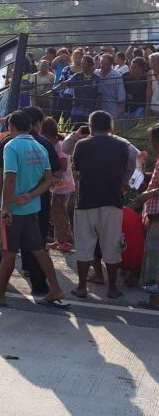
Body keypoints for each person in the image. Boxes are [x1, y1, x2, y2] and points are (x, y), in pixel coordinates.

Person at [0, 111, 65, 307]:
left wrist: (5, 207)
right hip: (32, 207)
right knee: (39, 250)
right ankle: (55, 288)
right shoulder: (40, 146)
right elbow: (50, 179)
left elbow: (10, 178)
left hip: (14, 209)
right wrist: (31, 195)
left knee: (8, 251)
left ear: (12, 127)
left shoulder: (11, 145)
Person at [70, 111, 130, 299]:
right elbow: (126, 169)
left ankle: (81, 287)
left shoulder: (82, 144)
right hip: (112, 200)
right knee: (112, 245)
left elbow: (76, 169)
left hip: (86, 199)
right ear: (110, 126)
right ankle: (112, 287)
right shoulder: (122, 146)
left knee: (84, 244)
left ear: (91, 126)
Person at [133, 123, 159, 310]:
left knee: (154, 258)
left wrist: (149, 195)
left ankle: (155, 299)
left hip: (157, 214)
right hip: (154, 213)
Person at [41, 118, 75, 252]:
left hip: (63, 185)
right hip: (59, 186)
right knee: (58, 213)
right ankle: (59, 239)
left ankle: (67, 241)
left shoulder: (60, 145)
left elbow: (63, 165)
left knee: (58, 213)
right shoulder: (57, 143)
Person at [53, 55, 100, 128]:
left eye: (84, 63)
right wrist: (53, 90)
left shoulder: (96, 79)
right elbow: (65, 84)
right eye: (82, 63)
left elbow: (99, 95)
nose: (82, 65)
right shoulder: (77, 76)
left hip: (90, 109)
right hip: (77, 107)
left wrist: (97, 108)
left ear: (90, 65)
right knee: (75, 127)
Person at [96, 53, 126, 119]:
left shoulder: (117, 76)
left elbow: (121, 94)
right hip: (97, 108)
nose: (102, 66)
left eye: (105, 64)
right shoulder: (96, 73)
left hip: (112, 109)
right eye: (101, 63)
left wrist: (121, 110)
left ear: (110, 65)